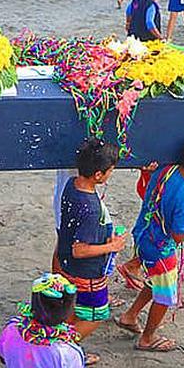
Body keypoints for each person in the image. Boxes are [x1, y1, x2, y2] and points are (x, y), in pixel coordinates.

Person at [115, 136, 184, 352]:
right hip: (160, 248)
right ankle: (147, 338)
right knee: (166, 295)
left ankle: (130, 316)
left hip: (143, 234)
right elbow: (179, 235)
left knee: (154, 281)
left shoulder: (165, 170)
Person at [56, 139, 125, 347]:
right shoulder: (90, 208)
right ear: (98, 174)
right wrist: (112, 247)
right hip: (86, 273)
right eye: (110, 171)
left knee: (73, 312)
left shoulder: (71, 185)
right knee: (96, 315)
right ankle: (62, 350)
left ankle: (59, 345)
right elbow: (80, 250)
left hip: (67, 264)